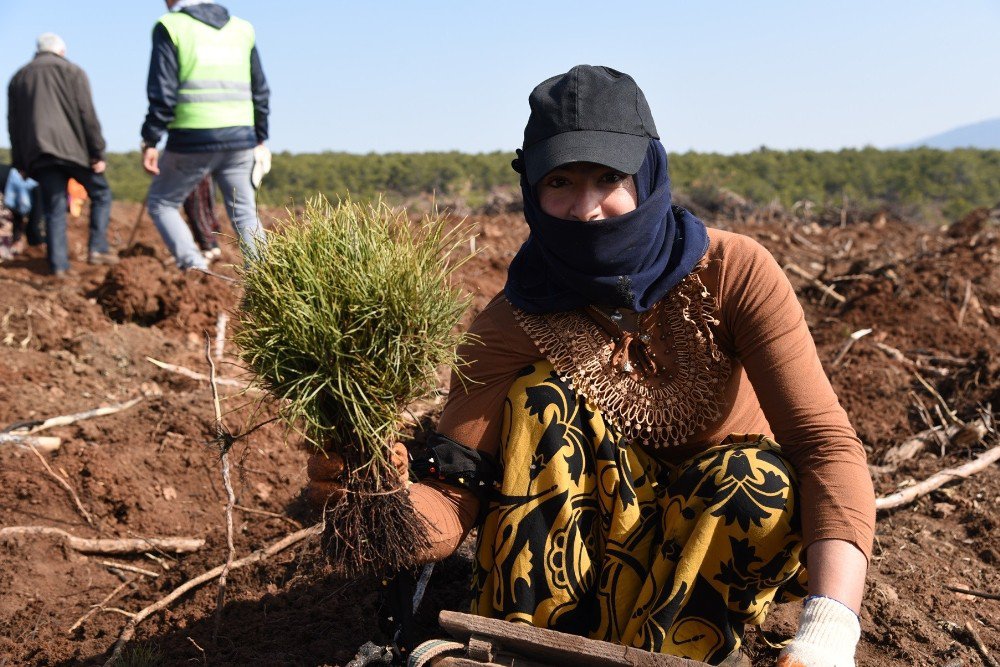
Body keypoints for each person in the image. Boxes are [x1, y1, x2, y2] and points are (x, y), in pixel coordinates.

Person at [307, 66, 875, 667]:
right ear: (531, 188)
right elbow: (453, 503)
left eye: (610, 178)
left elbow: (825, 447)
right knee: (541, 397)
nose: (587, 208)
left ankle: (691, 652)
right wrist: (376, 500)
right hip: (564, 582)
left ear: (650, 172)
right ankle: (535, 649)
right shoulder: (510, 324)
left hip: (701, 559)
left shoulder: (734, 272)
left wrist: (827, 634)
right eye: (560, 181)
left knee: (754, 476)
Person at [140, 0, 270, 271]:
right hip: (241, 138)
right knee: (245, 212)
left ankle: (197, 272)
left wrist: (151, 139)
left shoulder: (171, 26)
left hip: (191, 138)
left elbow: (163, 91)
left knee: (162, 202)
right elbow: (260, 89)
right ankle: (266, 280)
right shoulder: (242, 29)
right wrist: (260, 135)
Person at [7, 33, 116, 276]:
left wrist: (20, 162)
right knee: (101, 193)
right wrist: (97, 151)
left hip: (39, 154)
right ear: (61, 51)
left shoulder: (19, 77)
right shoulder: (73, 71)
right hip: (74, 151)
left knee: (54, 208)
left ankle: (59, 266)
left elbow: (13, 124)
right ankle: (97, 249)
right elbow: (87, 114)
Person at [0, 163, 45, 258]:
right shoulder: (36, 191)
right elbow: (34, 220)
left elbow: (18, 214)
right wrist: (38, 241)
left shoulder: (29, 188)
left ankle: (11, 245)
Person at [182, 174, 222, 261]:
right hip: (207, 168)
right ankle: (212, 246)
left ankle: (207, 248)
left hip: (193, 170)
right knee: (206, 204)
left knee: (195, 207)